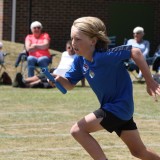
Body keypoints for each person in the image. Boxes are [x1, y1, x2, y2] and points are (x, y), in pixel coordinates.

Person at [49, 17, 160, 160]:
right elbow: (69, 84)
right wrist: (58, 79)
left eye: (78, 39)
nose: (73, 43)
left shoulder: (105, 56)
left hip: (118, 108)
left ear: (93, 41)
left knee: (77, 130)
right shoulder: (80, 60)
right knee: (139, 152)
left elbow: (136, 52)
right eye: (72, 39)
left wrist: (150, 81)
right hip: (116, 109)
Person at [14, 40, 85, 88]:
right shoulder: (64, 54)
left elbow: (81, 70)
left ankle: (26, 85)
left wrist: (83, 84)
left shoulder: (78, 56)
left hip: (65, 75)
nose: (71, 49)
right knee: (43, 74)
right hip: (57, 71)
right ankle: (24, 81)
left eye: (72, 48)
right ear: (66, 48)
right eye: (69, 48)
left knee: (45, 79)